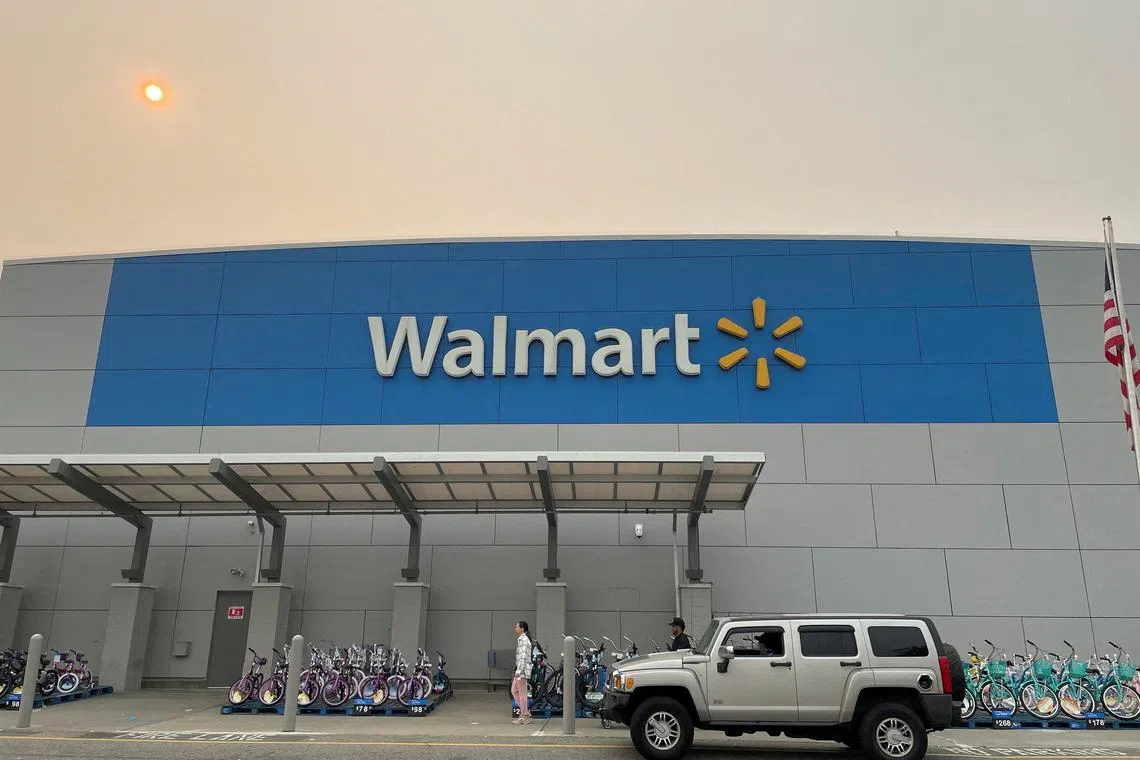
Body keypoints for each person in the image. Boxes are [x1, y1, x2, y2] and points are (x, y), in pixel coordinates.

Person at [511, 620, 534, 724]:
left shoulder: (524, 640)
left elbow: (523, 656)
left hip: (522, 671)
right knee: (514, 691)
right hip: (520, 670)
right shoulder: (522, 639)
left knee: (521, 694)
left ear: (522, 629)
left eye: (517, 627)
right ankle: (525, 712)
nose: (515, 628)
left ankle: (523, 717)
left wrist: (519, 671)